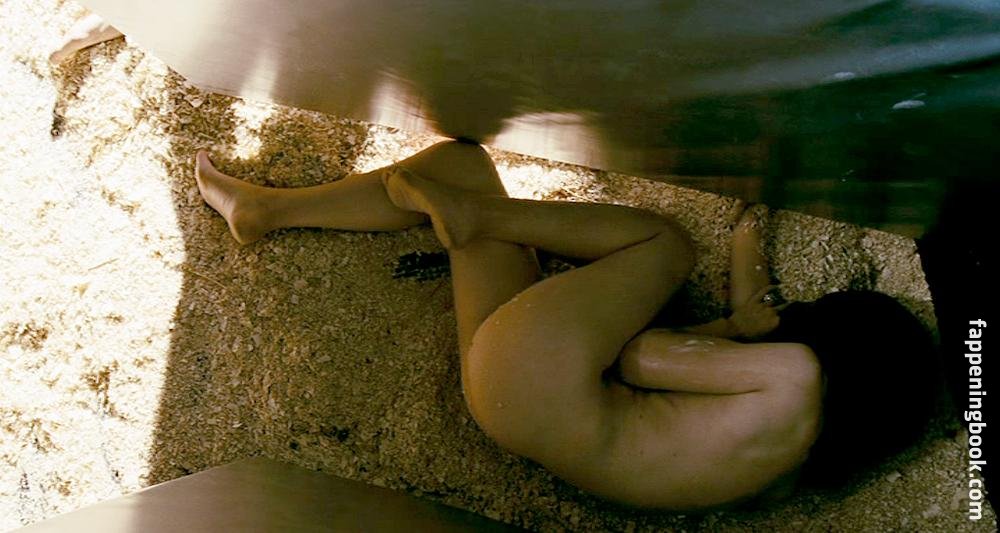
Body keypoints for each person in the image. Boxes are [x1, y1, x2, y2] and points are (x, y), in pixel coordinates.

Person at [194, 140, 937, 509]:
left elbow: (644, 355)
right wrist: (747, 272)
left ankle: (476, 217)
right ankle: (264, 211)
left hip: (545, 376)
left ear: (846, 346)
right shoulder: (792, 469)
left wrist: (733, 329)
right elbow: (745, 343)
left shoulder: (797, 374)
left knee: (666, 245)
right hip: (513, 407)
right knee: (458, 163)